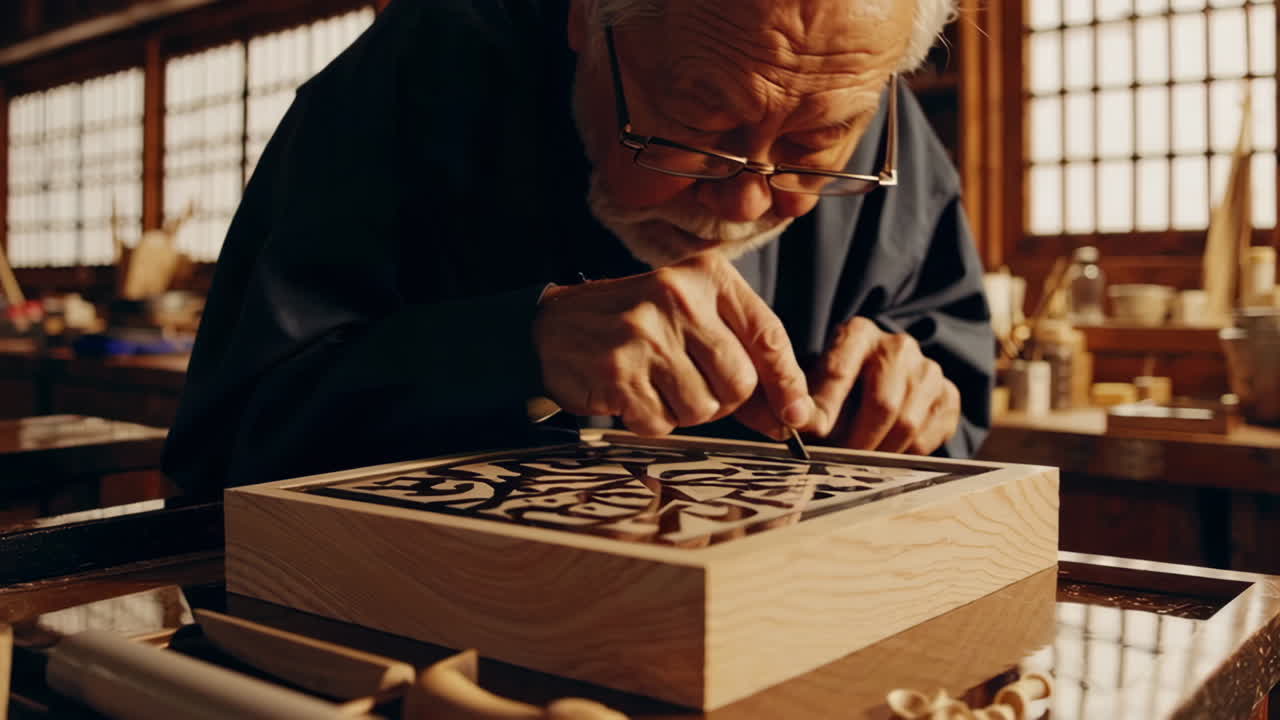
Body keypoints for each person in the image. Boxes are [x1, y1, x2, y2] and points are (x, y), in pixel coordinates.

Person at [162, 0, 993, 493]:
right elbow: (229, 447)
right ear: (586, 18)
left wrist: (918, 399)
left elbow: (948, 369)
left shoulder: (867, 104)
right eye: (700, 128)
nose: (747, 199)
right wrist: (513, 346)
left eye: (814, 147)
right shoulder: (419, 78)